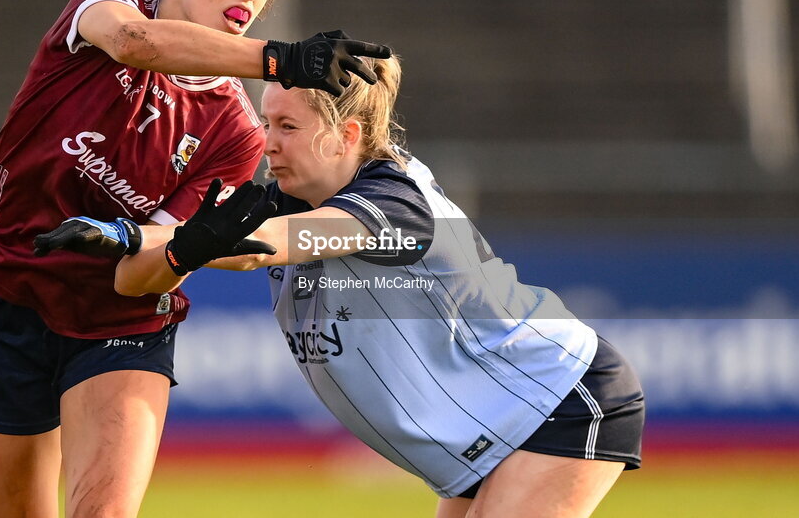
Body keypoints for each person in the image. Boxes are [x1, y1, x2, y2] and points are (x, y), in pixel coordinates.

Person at [0, 0, 390, 518]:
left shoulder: (235, 133)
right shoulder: (105, 4)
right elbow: (136, 42)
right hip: (6, 289)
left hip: (117, 322)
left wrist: (186, 249)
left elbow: (134, 277)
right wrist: (279, 57)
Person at [39, 54, 645, 518]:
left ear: (347, 135)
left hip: (561, 398)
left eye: (287, 126)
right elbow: (142, 273)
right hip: (494, 426)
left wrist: (148, 237)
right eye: (265, 122)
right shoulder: (284, 195)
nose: (267, 141)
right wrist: (136, 241)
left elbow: (275, 245)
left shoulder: (395, 200)